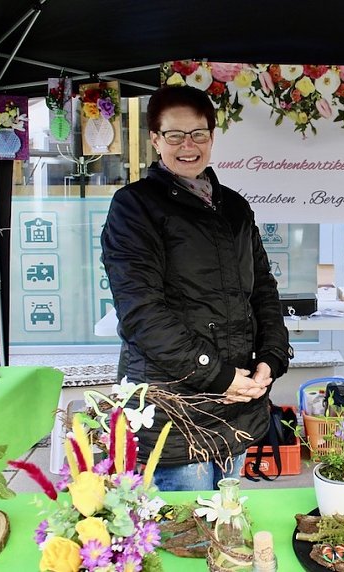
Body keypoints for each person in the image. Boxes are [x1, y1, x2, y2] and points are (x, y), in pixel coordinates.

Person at [101, 85, 291, 491]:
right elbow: (142, 314)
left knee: (227, 524)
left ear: (212, 137)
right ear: (155, 139)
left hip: (236, 405)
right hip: (171, 410)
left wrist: (270, 360)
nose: (188, 146)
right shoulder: (135, 206)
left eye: (199, 134)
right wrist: (218, 375)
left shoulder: (235, 207)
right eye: (174, 135)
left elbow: (262, 292)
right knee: (185, 540)